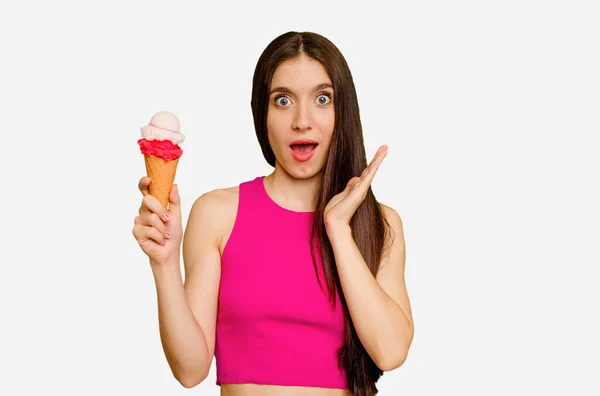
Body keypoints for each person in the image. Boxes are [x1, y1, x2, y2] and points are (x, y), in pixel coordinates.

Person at [132, 31, 414, 396]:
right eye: (282, 100)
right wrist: (164, 264)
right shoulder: (217, 213)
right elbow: (189, 370)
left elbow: (391, 352)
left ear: (343, 112)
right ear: (261, 114)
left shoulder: (379, 223)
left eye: (322, 99)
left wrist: (338, 230)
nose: (302, 120)